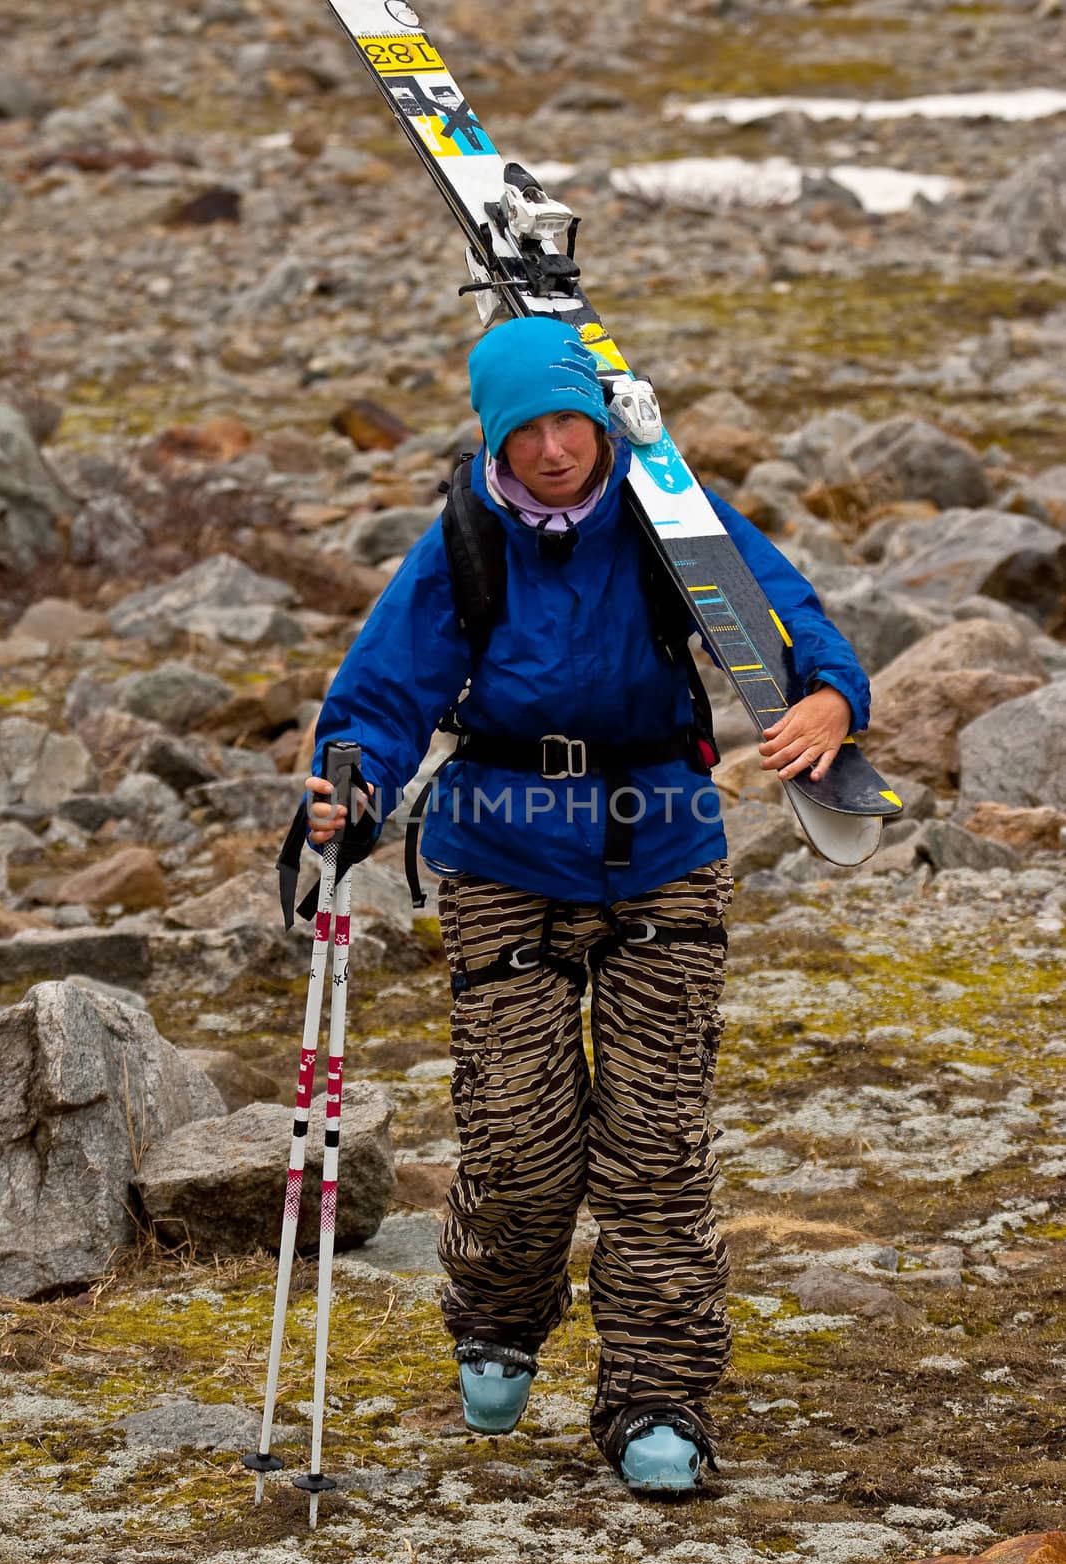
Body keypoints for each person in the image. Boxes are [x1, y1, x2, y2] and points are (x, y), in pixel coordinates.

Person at [304, 316, 868, 1492]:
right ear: (492, 438)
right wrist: (349, 785)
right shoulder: (465, 535)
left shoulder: (667, 517)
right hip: (501, 862)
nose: (554, 449)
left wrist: (830, 701)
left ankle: (657, 1401)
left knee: (654, 1146)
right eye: (526, 430)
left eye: (570, 421)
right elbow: (380, 694)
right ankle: (499, 1319)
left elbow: (787, 616)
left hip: (662, 850)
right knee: (520, 1145)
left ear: (600, 420)